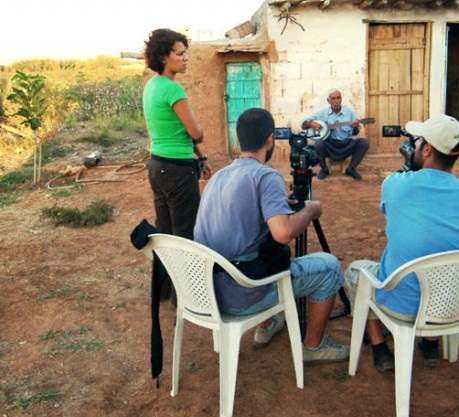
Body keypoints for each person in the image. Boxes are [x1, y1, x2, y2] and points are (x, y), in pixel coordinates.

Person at [194, 107, 349, 364]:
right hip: (242, 295)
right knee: (330, 267)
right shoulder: (266, 176)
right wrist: (309, 209)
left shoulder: (219, 177)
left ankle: (266, 326)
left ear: (239, 138)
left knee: (255, 248)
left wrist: (276, 204)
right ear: (270, 140)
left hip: (209, 293)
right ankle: (313, 346)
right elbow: (283, 233)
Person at [344, 114, 459, 372]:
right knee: (442, 264)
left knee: (355, 272)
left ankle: (380, 347)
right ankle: (431, 342)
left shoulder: (395, 184)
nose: (413, 145)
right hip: (451, 306)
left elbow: (393, 216)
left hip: (401, 307)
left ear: (426, 149)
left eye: (418, 141)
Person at [142, 29, 213, 302]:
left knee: (165, 231)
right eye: (180, 54)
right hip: (178, 172)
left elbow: (176, 132)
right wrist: (200, 138)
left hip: (158, 166)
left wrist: (201, 156)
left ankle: (163, 290)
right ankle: (188, 296)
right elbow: (195, 132)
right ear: (164, 57)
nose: (186, 59)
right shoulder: (173, 88)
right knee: (185, 233)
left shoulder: (152, 86)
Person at [301, 89, 369, 180]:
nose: (336, 101)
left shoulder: (349, 113)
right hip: (330, 145)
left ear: (341, 99)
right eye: (333, 98)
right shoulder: (322, 113)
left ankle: (351, 168)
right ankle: (324, 169)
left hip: (346, 144)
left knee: (364, 142)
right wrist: (311, 124)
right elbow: (303, 123)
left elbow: (355, 133)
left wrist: (355, 127)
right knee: (319, 143)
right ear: (328, 101)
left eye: (338, 98)